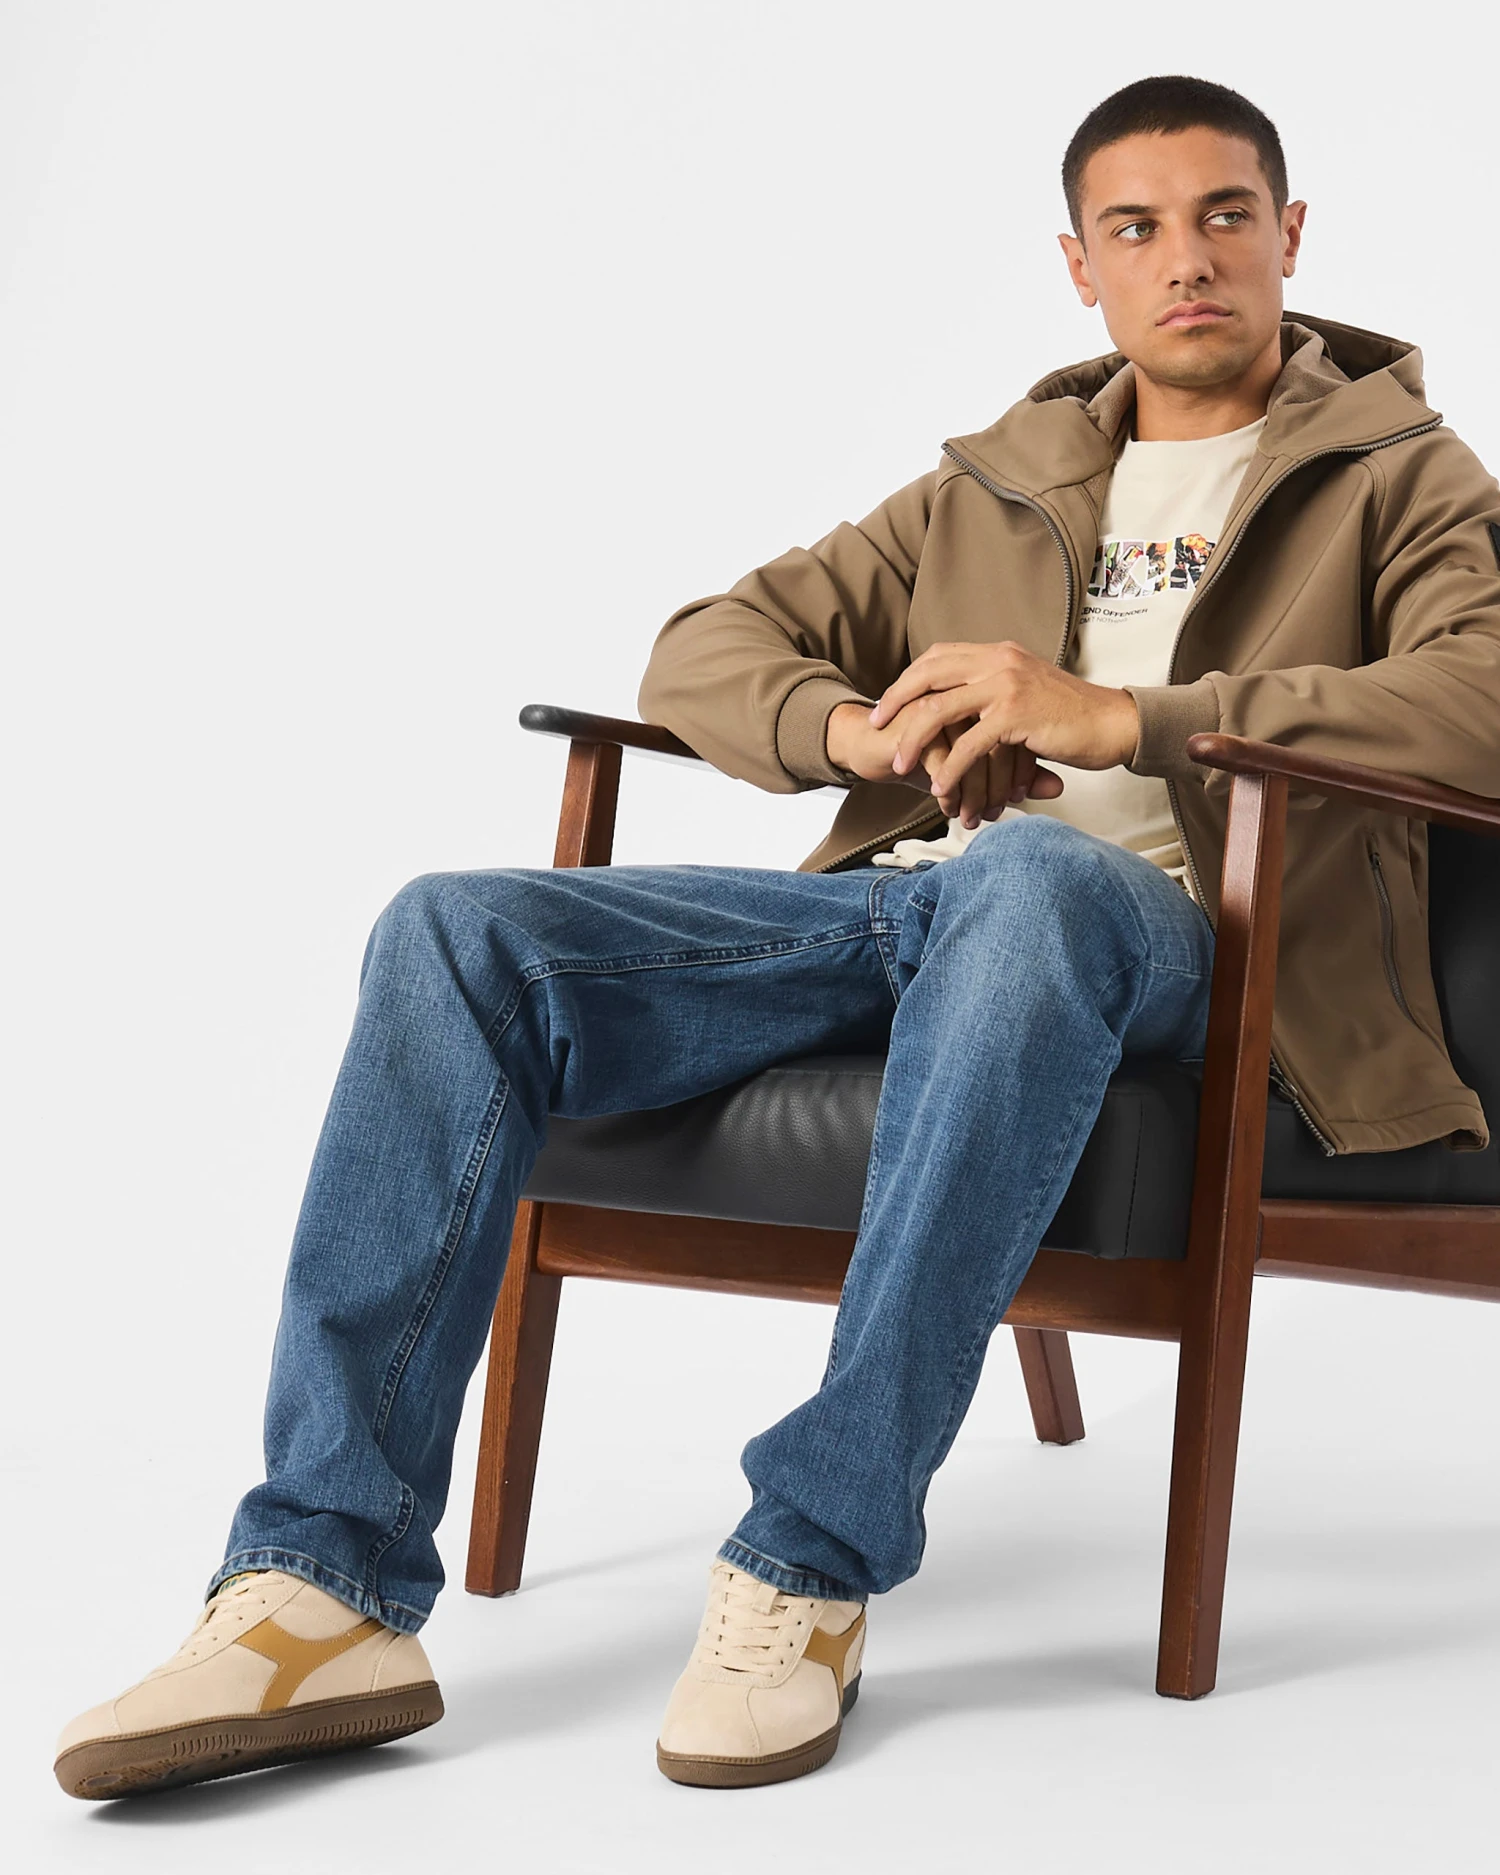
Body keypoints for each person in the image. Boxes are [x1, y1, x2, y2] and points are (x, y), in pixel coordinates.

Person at [54, 73, 1500, 1802]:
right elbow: (709, 644)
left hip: (1193, 945)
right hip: (911, 906)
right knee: (457, 931)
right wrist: (852, 733)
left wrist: (1126, 718)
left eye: (1223, 217)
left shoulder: (1400, 473)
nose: (1184, 257)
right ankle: (322, 1580)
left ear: (1290, 236)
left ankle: (810, 1557)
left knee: (1037, 886)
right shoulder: (1002, 480)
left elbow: (1478, 700)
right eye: (1137, 227)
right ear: (1080, 265)